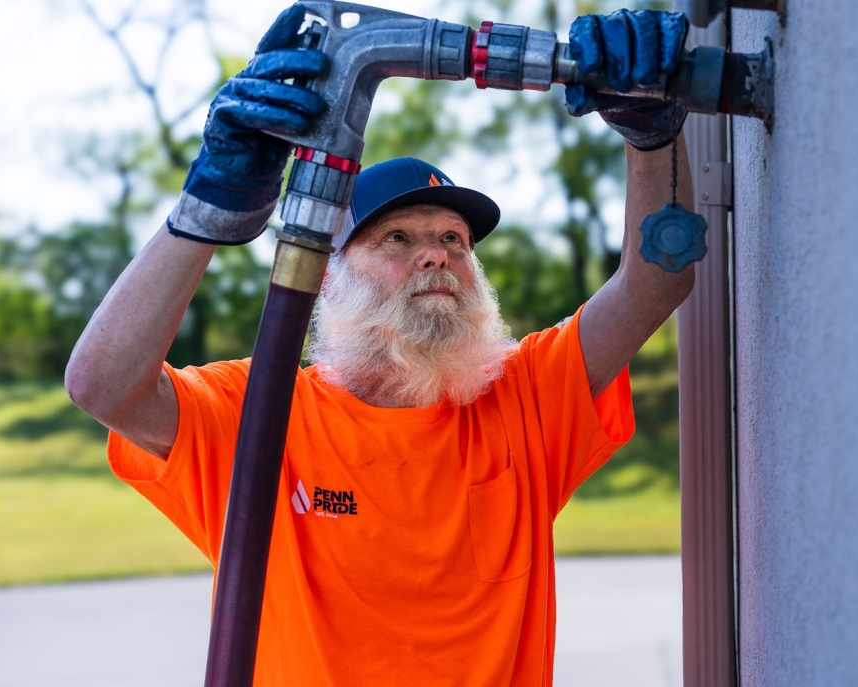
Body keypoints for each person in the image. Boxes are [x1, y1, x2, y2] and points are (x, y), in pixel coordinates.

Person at [65, 5, 697, 686]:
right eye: (397, 239)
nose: (436, 256)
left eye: (453, 239)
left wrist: (650, 129)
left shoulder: (526, 395)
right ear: (327, 273)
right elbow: (102, 385)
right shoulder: (260, 410)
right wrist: (208, 208)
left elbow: (655, 282)